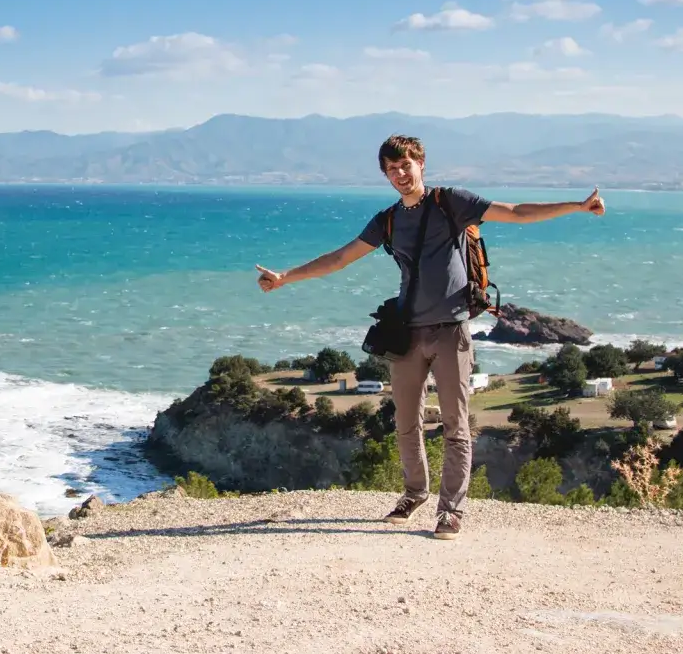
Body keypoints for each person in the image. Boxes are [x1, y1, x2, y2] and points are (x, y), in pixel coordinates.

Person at [254, 134, 605, 540]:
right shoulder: (386, 220)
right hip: (406, 333)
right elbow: (339, 258)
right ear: (385, 175)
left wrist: (577, 206)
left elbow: (517, 212)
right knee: (406, 422)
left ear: (421, 163)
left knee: (456, 424)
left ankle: (451, 511)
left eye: (406, 165)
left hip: (451, 330)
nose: (401, 174)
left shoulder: (450, 202)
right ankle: (414, 493)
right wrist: (286, 277)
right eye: (392, 169)